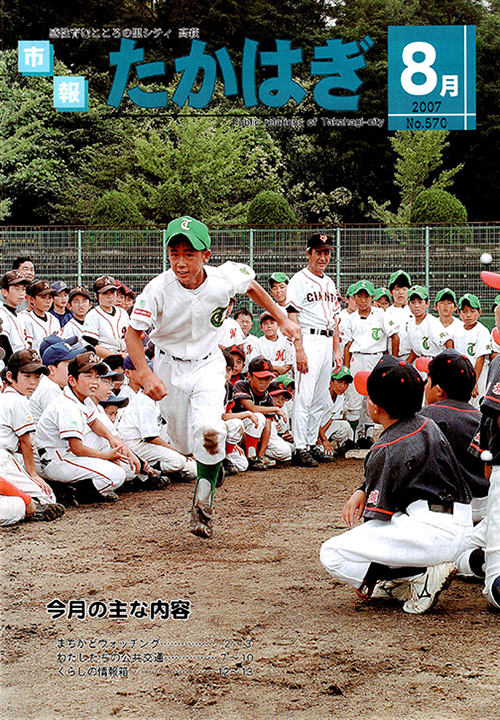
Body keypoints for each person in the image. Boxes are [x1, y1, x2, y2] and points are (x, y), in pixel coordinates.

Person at [125, 215, 299, 539]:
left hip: (207, 364)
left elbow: (253, 287)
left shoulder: (224, 278)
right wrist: (146, 374)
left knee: (210, 430)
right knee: (181, 444)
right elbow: (133, 335)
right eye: (174, 253)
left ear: (206, 255)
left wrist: (281, 318)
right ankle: (212, 464)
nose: (180, 262)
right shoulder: (157, 290)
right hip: (168, 366)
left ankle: (202, 504)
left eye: (189, 254)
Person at [320, 355, 472, 614]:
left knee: (332, 553)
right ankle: (410, 577)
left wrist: (370, 572)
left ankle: (417, 575)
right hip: (460, 522)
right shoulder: (428, 423)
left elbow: (376, 518)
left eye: (369, 397)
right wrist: (363, 488)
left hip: (433, 533)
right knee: (397, 518)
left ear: (376, 408)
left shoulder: (384, 448)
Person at [35, 352, 128, 503]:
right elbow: (77, 448)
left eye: (97, 377)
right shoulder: (67, 405)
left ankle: (72, 487)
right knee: (117, 475)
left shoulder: (82, 398)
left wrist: (111, 438)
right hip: (57, 460)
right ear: (72, 380)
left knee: (123, 467)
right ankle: (71, 491)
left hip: (66, 455)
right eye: (88, 376)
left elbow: (93, 422)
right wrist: (107, 457)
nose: (94, 382)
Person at [286, 233, 341, 467]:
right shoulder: (298, 280)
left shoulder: (329, 282)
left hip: (327, 341)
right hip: (308, 338)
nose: (323, 257)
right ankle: (299, 447)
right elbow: (292, 316)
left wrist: (337, 351)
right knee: (305, 395)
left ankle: (310, 443)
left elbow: (336, 320)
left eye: (327, 252)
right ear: (308, 253)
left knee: (320, 397)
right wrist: (299, 349)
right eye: (318, 252)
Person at [419, 349, 488, 522]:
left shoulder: (424, 417)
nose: (425, 386)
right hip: (484, 508)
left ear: (440, 390)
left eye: (428, 381)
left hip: (443, 511)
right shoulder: (482, 420)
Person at [0, 350, 65, 519]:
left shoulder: (8, 397)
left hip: (8, 456)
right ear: (10, 376)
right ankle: (33, 507)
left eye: (37, 377)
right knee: (47, 497)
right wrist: (33, 474)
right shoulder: (17, 400)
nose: (33, 382)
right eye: (26, 376)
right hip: (2, 459)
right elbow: (25, 442)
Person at [343, 279, 399, 448]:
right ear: (354, 298)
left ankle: (366, 437)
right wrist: (346, 368)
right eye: (359, 296)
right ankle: (352, 437)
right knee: (354, 398)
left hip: (376, 357)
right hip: (357, 358)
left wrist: (393, 360)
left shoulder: (381, 315)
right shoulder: (350, 318)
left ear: (372, 298)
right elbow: (347, 345)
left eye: (366, 296)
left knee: (372, 397)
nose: (362, 300)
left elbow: (394, 336)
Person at [454, 294, 491, 406]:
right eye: (464, 311)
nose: (468, 315)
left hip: (478, 377)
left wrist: (473, 382)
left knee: (477, 406)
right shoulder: (457, 330)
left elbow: (480, 358)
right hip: (462, 376)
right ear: (459, 313)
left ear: (479, 313)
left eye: (472, 311)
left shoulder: (482, 331)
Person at [82, 276, 129, 358]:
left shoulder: (123, 313)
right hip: (104, 360)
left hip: (125, 356)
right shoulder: (92, 315)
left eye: (112, 292)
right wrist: (117, 357)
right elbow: (91, 345)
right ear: (96, 296)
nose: (109, 296)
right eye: (105, 293)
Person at [406, 285, 453, 364]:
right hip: (421, 362)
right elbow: (416, 350)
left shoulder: (432, 323)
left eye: (420, 302)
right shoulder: (410, 323)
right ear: (408, 304)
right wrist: (407, 364)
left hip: (435, 361)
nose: (416, 306)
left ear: (427, 303)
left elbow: (448, 342)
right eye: (413, 302)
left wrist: (450, 363)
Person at [318, 367, 355, 458]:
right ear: (331, 382)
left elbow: (331, 419)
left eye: (345, 383)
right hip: (313, 428)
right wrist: (323, 439)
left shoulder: (340, 398)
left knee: (345, 426)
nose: (342, 386)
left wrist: (324, 438)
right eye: (339, 382)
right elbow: (314, 420)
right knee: (321, 452)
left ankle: (342, 445)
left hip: (323, 429)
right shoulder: (321, 395)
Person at [21, 280, 61, 352]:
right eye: (43, 297)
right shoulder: (25, 319)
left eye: (50, 297)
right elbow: (27, 348)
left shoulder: (54, 319)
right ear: (31, 299)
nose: (48, 301)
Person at [0, 271, 31, 361]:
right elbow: (4, 346)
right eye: (16, 289)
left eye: (23, 289)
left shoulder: (20, 315)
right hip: (9, 366)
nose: (21, 293)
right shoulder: (2, 314)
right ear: (4, 292)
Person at [385, 269, 412, 361]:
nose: (401, 293)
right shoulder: (387, 313)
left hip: (413, 357)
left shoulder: (414, 311)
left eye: (404, 289)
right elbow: (392, 338)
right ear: (390, 292)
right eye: (397, 289)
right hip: (394, 357)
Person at [257, 311, 293, 376]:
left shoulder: (285, 341)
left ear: (278, 325)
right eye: (265, 323)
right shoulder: (258, 342)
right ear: (261, 328)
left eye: (272, 322)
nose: (269, 326)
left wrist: (279, 372)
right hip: (265, 375)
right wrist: (277, 369)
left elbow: (289, 363)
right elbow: (258, 364)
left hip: (284, 375)